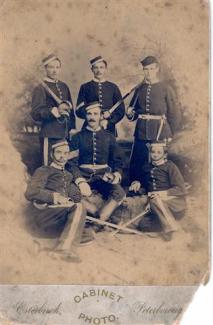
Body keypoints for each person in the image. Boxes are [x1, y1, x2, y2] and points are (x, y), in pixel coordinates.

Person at [25, 140, 93, 262]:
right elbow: (31, 192)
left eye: (66, 153)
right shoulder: (44, 170)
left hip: (57, 217)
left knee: (89, 234)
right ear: (52, 154)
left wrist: (80, 189)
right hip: (44, 214)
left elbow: (75, 197)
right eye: (59, 152)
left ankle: (48, 244)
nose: (62, 156)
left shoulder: (67, 175)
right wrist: (56, 198)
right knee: (79, 208)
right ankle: (63, 250)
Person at [67, 102, 126, 222]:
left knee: (119, 192)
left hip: (103, 176)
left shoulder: (109, 137)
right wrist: (80, 180)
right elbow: (71, 163)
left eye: (95, 114)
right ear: (85, 116)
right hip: (83, 175)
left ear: (101, 116)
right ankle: (95, 213)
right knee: (69, 191)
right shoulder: (77, 137)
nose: (92, 117)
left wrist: (116, 174)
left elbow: (117, 161)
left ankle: (99, 220)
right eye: (89, 114)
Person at [126, 56, 181, 182]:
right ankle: (137, 186)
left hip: (160, 130)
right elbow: (133, 112)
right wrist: (130, 114)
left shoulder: (166, 88)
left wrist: (170, 133)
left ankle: (158, 186)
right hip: (141, 130)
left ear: (157, 69)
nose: (149, 72)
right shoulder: (139, 89)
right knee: (138, 159)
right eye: (146, 69)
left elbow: (175, 113)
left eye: (151, 69)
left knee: (159, 161)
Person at [129, 142, 187, 240]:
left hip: (174, 203)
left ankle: (170, 227)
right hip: (156, 205)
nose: (155, 154)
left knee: (155, 199)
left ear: (164, 155)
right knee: (143, 225)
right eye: (153, 152)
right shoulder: (146, 167)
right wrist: (137, 183)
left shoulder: (170, 166)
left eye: (159, 152)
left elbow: (181, 189)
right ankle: (164, 222)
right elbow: (145, 186)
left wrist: (161, 194)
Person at [31, 54, 76, 166]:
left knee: (63, 166)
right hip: (50, 134)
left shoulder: (64, 86)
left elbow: (71, 111)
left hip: (64, 134)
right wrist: (54, 110)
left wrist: (72, 128)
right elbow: (36, 113)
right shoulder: (39, 88)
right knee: (49, 166)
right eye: (51, 67)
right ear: (45, 68)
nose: (54, 70)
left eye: (57, 67)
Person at [76, 56, 125, 136]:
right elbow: (79, 110)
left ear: (105, 69)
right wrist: (93, 117)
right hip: (89, 127)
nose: (99, 71)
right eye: (96, 68)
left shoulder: (113, 87)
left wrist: (110, 119)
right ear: (92, 70)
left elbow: (120, 110)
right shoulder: (85, 87)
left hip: (109, 128)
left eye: (101, 67)